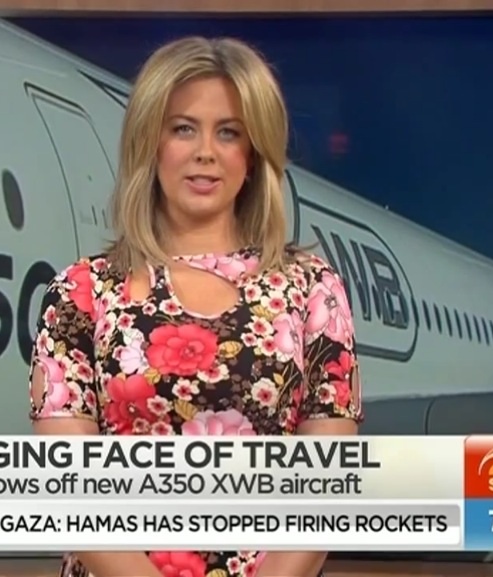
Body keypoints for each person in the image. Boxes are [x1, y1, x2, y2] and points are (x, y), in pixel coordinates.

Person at [28, 35, 363, 577]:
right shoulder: (80, 292)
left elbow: (326, 490)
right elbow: (69, 491)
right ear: (149, 143)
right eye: (183, 128)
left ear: (251, 156)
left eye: (228, 132)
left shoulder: (312, 290)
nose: (205, 151)